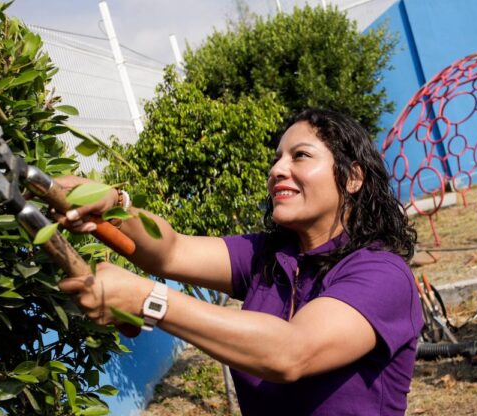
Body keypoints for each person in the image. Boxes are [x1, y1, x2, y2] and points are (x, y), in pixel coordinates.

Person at [56, 108, 422, 415]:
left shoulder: (382, 273)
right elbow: (171, 251)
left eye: (300, 155)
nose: (277, 169)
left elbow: (292, 352)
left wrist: (150, 301)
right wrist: (112, 204)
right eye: (277, 158)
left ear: (353, 178)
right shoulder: (270, 255)